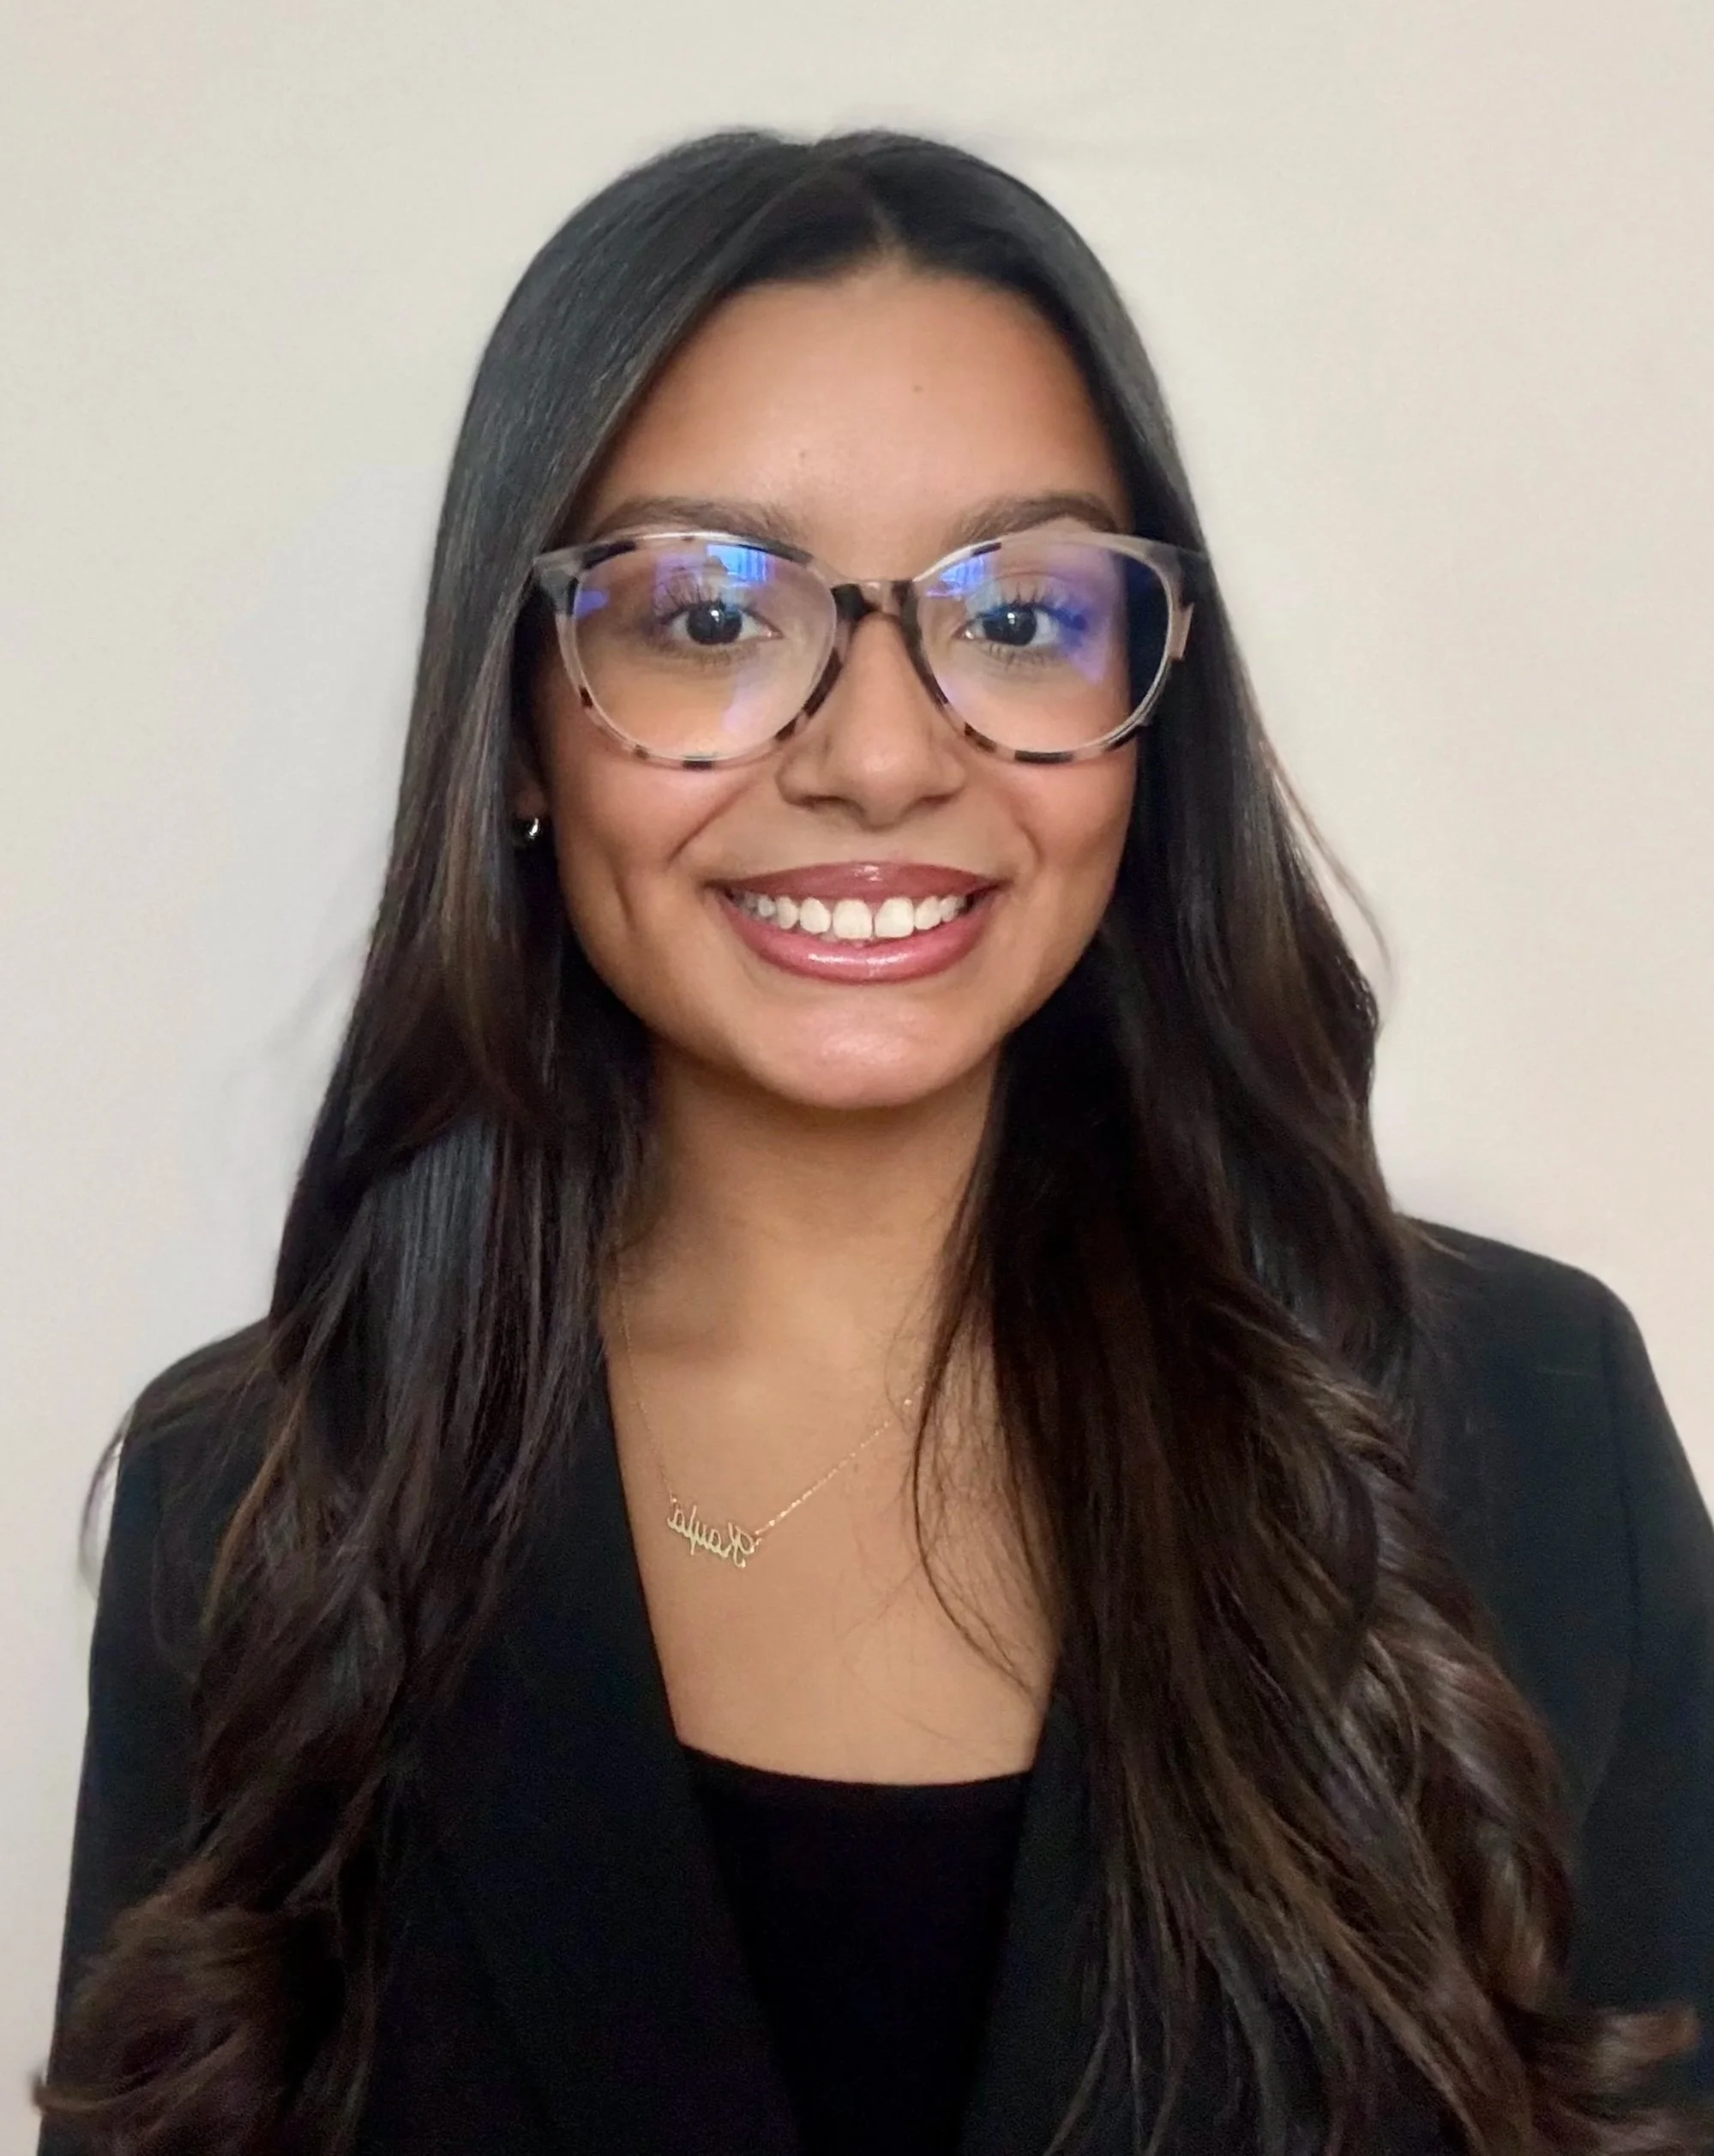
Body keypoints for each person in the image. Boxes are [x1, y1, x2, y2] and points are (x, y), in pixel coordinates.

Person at [32, 127, 1714, 2156]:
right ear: (521, 724)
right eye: (705, 615)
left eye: (1019, 616)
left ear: (1150, 708)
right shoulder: (258, 1506)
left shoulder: (1528, 1432)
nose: (885, 754)